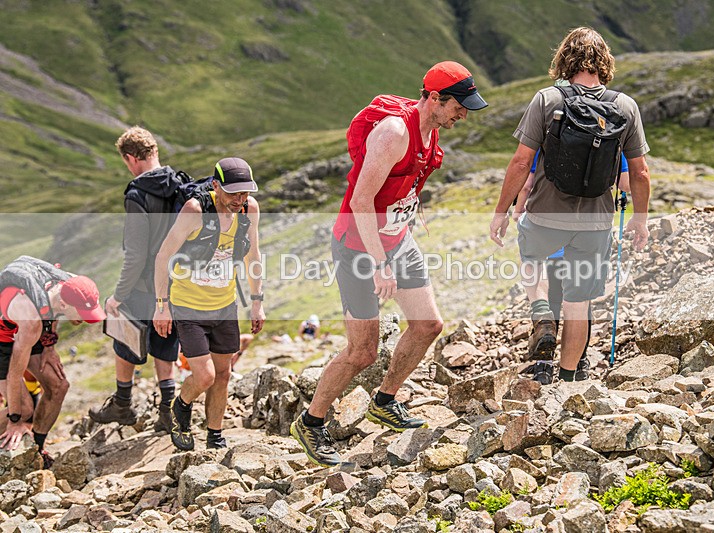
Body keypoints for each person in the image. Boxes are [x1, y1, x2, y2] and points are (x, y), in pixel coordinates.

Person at [291, 61, 488, 467]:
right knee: (362, 351)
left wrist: (406, 221)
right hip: (358, 247)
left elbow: (403, 186)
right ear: (435, 98)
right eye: (459, 107)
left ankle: (384, 402)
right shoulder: (394, 133)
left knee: (428, 325)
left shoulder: (431, 131)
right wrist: (380, 264)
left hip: (397, 240)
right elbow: (361, 200)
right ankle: (310, 423)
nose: (463, 115)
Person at [490, 27, 651, 384]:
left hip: (546, 213)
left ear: (564, 59)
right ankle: (566, 381)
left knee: (532, 261)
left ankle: (542, 313)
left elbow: (521, 162)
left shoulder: (547, 100)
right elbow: (639, 172)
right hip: (596, 222)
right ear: (604, 63)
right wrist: (640, 219)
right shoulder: (625, 106)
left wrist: (501, 212)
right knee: (579, 302)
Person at [153, 157, 264, 452]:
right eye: (233, 193)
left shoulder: (249, 210)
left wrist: (257, 301)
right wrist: (161, 305)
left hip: (225, 304)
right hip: (188, 305)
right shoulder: (195, 210)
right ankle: (180, 405)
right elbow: (163, 257)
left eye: (245, 193)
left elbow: (253, 255)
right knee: (205, 376)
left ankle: (215, 436)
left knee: (223, 374)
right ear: (216, 186)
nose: (239, 200)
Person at [89, 126, 183, 431]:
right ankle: (168, 412)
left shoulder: (138, 195)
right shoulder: (181, 185)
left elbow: (135, 254)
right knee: (165, 343)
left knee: (124, 335)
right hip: (175, 283)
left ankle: (122, 404)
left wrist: (117, 296)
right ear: (154, 151)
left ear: (131, 158)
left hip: (143, 285)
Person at [512, 151, 630, 383]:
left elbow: (526, 184)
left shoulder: (547, 139)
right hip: (589, 231)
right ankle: (578, 365)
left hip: (551, 230)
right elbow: (626, 182)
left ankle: (544, 367)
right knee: (579, 302)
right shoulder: (614, 142)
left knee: (552, 298)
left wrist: (518, 212)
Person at [0, 256, 105, 465]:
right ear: (65, 303)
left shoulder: (69, 284)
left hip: (26, 333)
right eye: (82, 313)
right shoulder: (31, 318)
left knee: (59, 386)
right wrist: (15, 420)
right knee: (24, 409)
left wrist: (49, 347)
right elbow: (14, 375)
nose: (84, 319)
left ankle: (38, 449)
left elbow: (53, 312)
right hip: (4, 339)